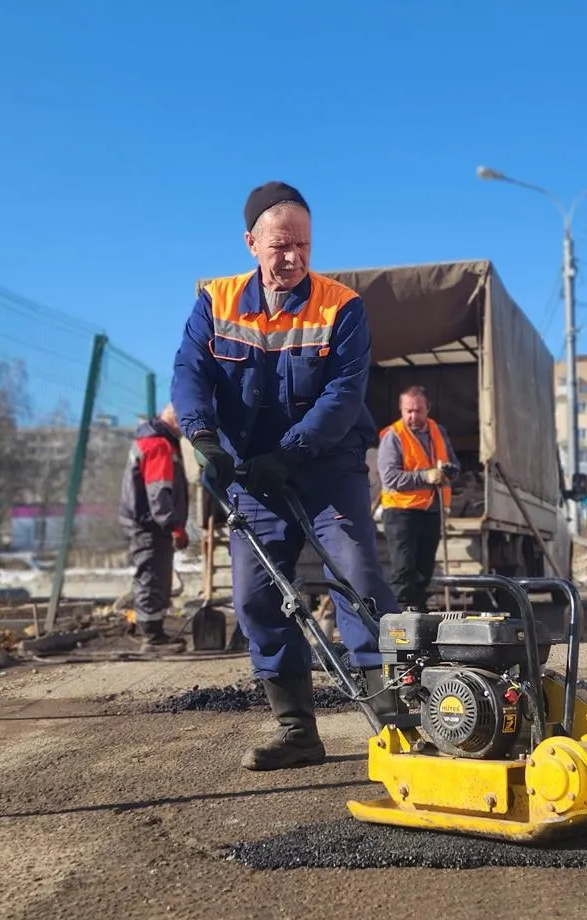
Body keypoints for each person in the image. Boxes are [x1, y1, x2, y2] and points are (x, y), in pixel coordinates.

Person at [171, 180, 405, 771]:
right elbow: (190, 373)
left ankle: (395, 725)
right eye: (280, 246)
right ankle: (298, 731)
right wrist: (202, 437)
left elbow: (343, 395)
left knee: (357, 577)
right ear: (251, 243)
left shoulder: (342, 307)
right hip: (252, 476)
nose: (293, 258)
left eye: (303, 245)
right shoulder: (215, 302)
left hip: (327, 468)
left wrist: (292, 451)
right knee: (254, 598)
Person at [378, 386, 460, 610]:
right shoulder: (393, 436)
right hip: (400, 512)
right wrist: (426, 476)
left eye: (418, 410)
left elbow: (454, 463)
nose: (413, 416)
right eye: (409, 411)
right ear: (401, 410)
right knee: (404, 569)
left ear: (427, 409)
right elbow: (390, 478)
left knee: (424, 570)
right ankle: (401, 616)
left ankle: (419, 613)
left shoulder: (438, 431)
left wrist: (448, 472)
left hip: (431, 510)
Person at [119, 403, 190, 649]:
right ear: (176, 418)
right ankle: (151, 638)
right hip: (149, 525)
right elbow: (158, 492)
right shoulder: (159, 444)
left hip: (147, 523)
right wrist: (174, 526)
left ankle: (154, 633)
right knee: (152, 576)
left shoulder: (155, 440)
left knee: (154, 575)